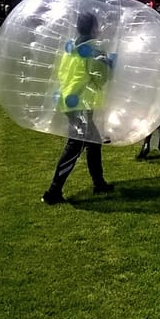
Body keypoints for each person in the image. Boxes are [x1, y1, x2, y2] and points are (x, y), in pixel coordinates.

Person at [42, 12, 115, 204]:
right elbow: (100, 78)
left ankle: (99, 184)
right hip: (80, 104)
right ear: (93, 27)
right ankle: (53, 192)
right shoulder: (93, 49)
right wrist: (109, 65)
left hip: (69, 100)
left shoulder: (71, 47)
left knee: (93, 141)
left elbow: (63, 73)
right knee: (75, 145)